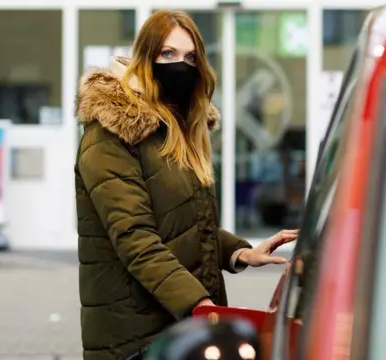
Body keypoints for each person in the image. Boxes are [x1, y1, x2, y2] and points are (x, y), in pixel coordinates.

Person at [74, 9, 299, 360]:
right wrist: (202, 307)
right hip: (135, 335)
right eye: (168, 54)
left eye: (190, 57)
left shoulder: (179, 128)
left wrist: (240, 252)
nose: (180, 65)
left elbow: (183, 224)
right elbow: (136, 239)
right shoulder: (112, 133)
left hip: (178, 323)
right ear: (146, 58)